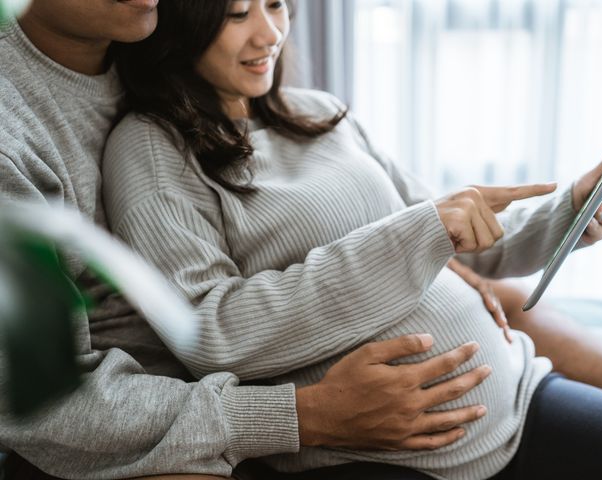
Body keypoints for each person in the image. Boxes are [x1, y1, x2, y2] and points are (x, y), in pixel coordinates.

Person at [103, 1, 602, 479]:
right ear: (181, 22)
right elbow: (213, 333)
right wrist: (421, 233)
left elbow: (464, 240)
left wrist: (570, 216)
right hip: (389, 459)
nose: (269, 33)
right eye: (237, 15)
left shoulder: (315, 112)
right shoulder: (152, 150)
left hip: (521, 395)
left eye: (276, 5)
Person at [0, 1, 493, 479]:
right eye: (237, 13)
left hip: (244, 386)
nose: (267, 33)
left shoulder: (147, 43)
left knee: (522, 310)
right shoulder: (19, 133)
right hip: (135, 427)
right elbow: (40, 399)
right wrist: (300, 415)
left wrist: (430, 255)